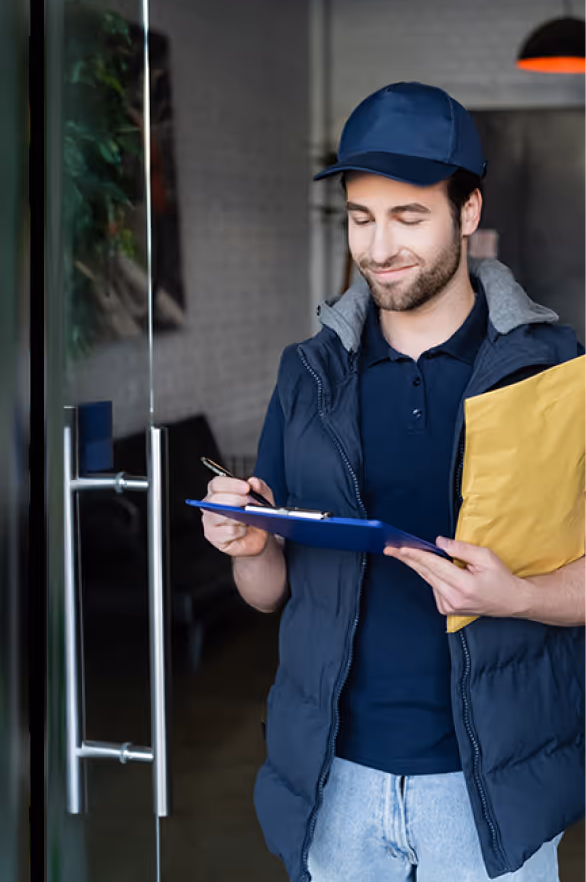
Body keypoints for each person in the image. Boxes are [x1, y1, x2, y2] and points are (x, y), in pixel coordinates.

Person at [201, 82, 586, 882]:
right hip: (332, 783)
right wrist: (244, 544)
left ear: (467, 212)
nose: (378, 248)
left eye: (408, 217)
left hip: (490, 792)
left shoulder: (554, 373)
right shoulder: (309, 374)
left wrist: (514, 596)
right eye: (360, 217)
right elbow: (267, 590)